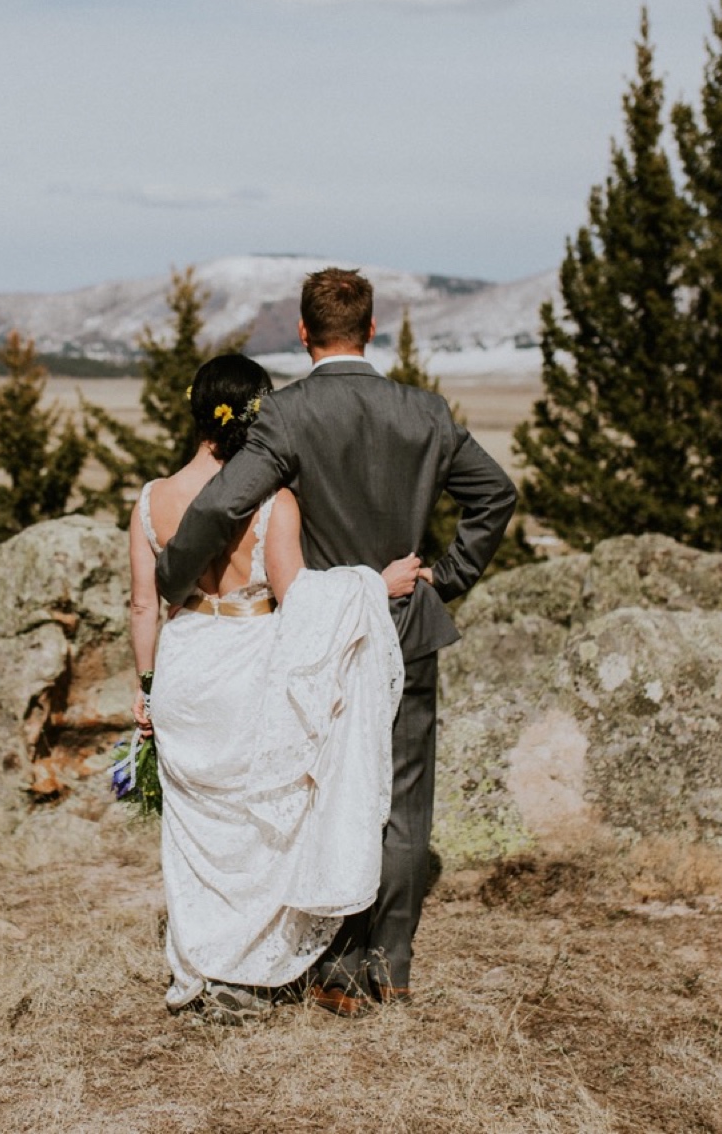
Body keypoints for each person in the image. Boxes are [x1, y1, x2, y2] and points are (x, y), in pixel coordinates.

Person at [156, 268, 517, 1016]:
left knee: (332, 793)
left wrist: (174, 579)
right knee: (404, 803)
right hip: (406, 626)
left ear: (301, 331)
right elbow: (495, 494)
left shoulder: (285, 418)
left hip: (324, 636)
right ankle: (393, 967)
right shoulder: (423, 412)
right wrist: (443, 581)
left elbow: (222, 501)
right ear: (372, 328)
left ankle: (337, 968)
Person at [129, 351, 424, 1024]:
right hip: (249, 666)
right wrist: (373, 586)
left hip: (185, 666)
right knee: (259, 828)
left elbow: (144, 607)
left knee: (195, 832)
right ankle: (245, 973)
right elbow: (297, 596)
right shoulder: (271, 498)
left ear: (197, 411)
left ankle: (199, 966)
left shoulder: (151, 501)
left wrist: (145, 689)